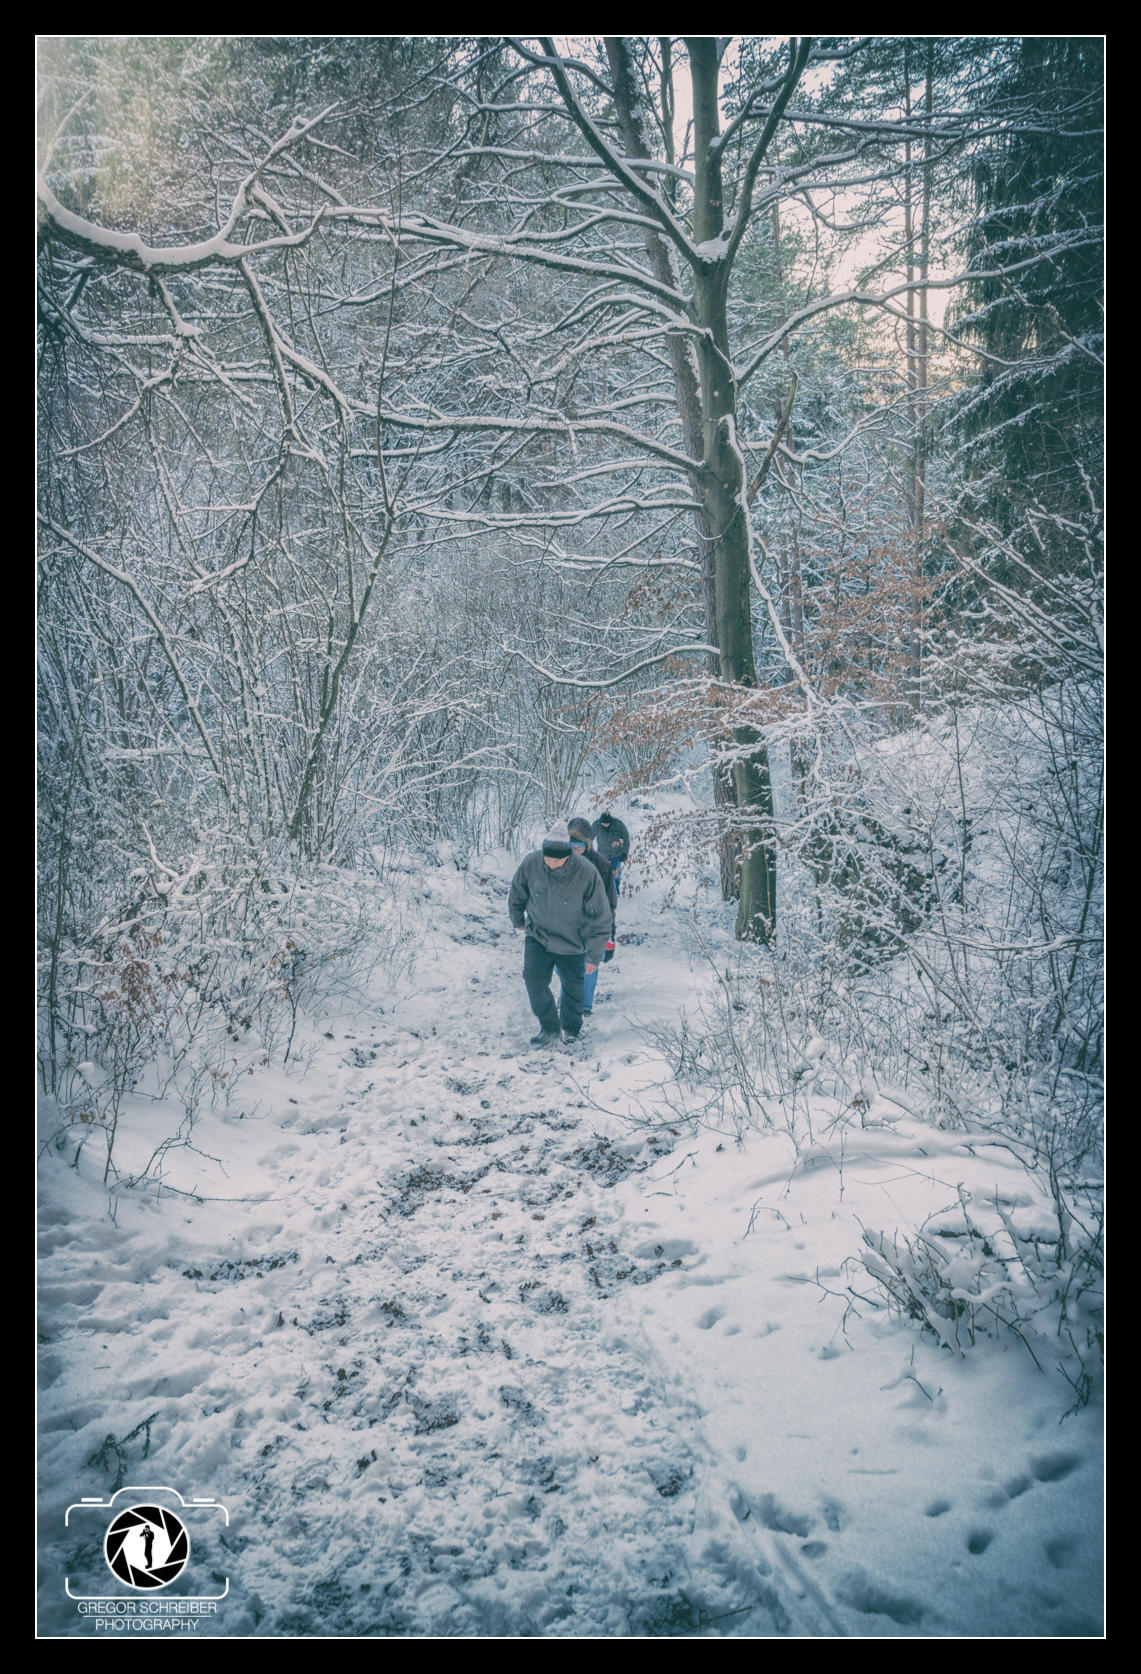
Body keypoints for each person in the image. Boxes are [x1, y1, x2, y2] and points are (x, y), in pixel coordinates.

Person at [509, 819, 610, 1046]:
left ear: (568, 855)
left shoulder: (586, 873)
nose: (551, 863)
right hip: (539, 936)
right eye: (548, 858)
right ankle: (549, 1028)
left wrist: (594, 955)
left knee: (573, 988)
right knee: (533, 979)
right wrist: (517, 919)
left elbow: (600, 916)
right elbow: (517, 892)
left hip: (573, 940)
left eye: (557, 859)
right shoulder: (532, 863)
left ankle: (571, 1028)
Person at [568, 817, 617, 1016]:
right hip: (566, 921)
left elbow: (610, 901)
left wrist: (610, 932)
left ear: (587, 844)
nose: (575, 850)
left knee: (589, 963)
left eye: (579, 846)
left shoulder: (601, 864)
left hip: (592, 922)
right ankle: (570, 995)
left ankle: (584, 1004)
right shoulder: (559, 860)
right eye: (571, 846)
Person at [591, 809, 631, 893]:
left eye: (607, 823)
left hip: (616, 854)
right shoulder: (596, 825)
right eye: (603, 823)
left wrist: (624, 853)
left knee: (616, 875)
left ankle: (616, 890)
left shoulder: (618, 824)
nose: (605, 825)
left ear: (611, 821)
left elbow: (626, 839)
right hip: (602, 854)